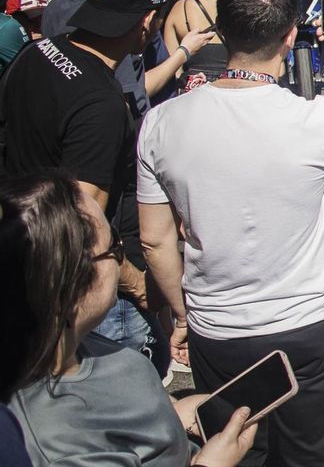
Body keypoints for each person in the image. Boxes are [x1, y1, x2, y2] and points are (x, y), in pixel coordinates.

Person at [138, 0, 324, 467]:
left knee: (235, 450)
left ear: (221, 31)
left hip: (217, 328)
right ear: (290, 35)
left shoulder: (160, 123)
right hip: (310, 324)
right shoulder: (314, 119)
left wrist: (181, 313)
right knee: (312, 453)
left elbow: (156, 243)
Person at [2, 0, 197, 369]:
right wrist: (136, 284)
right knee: (130, 389)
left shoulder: (38, 51)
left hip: (25, 252)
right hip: (92, 292)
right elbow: (81, 224)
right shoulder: (101, 105)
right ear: (146, 22)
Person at [1, 175, 257, 467]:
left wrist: (174, 413)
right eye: (114, 247)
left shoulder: (77, 343)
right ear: (72, 287)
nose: (121, 259)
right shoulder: (56, 441)